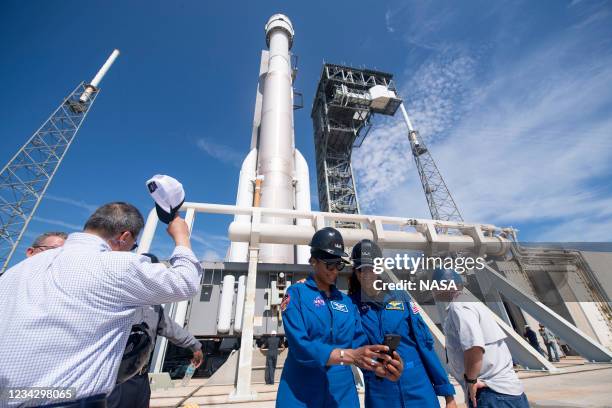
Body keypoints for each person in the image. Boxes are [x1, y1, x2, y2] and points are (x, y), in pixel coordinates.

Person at [0, 202, 202, 407]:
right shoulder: (115, 265)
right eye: (132, 246)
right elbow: (186, 281)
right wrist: (182, 236)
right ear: (124, 237)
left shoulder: (16, 271)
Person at [276, 227, 403, 408]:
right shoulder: (296, 294)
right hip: (301, 393)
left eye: (339, 264)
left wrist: (380, 367)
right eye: (329, 264)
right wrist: (347, 355)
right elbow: (300, 346)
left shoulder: (346, 302)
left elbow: (360, 344)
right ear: (313, 260)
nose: (335, 270)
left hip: (341, 396)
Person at [348, 239, 456, 408]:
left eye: (371, 268)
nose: (366, 274)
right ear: (355, 272)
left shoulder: (400, 298)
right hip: (380, 393)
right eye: (361, 269)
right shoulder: (350, 306)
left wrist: (449, 396)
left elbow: (424, 344)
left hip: (418, 388)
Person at [107, 253, 204, 408]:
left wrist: (195, 346)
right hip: (115, 377)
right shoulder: (118, 299)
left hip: (140, 376)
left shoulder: (154, 307)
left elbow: (170, 329)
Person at [433, 269, 529, 408]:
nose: (433, 291)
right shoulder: (471, 303)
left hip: (491, 394)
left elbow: (474, 347)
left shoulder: (459, 305)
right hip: (506, 392)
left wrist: (471, 381)